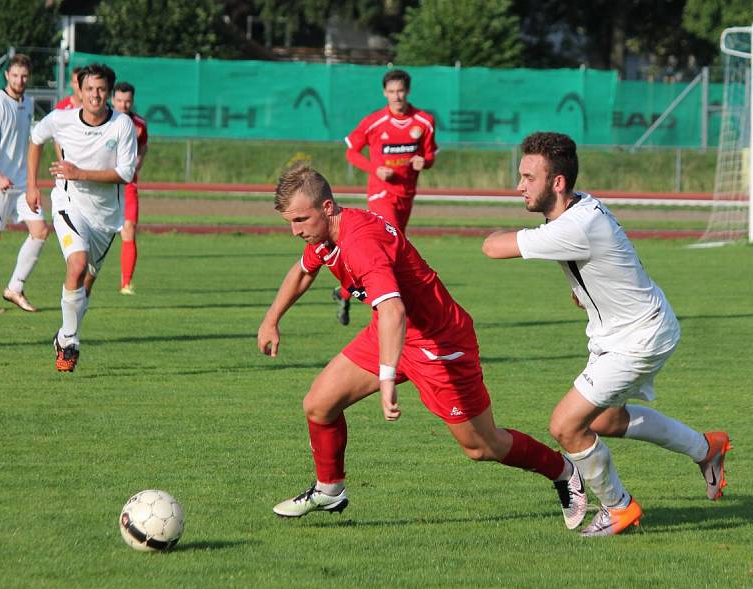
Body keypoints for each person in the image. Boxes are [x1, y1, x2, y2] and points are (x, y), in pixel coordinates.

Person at [257, 164, 588, 529]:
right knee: (319, 406)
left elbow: (394, 309)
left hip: (440, 342)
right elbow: (304, 271)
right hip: (390, 332)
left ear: (328, 207)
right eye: (290, 221)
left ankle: (562, 470)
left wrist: (386, 380)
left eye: (301, 219)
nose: (295, 230)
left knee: (481, 446)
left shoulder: (360, 242)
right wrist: (272, 319)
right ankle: (330, 488)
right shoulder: (324, 237)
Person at [483, 131, 732, 537]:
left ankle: (618, 508)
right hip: (625, 329)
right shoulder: (581, 206)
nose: (519, 186)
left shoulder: (575, 227)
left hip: (639, 336)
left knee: (566, 425)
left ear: (558, 182)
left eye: (529, 177)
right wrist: (589, 292)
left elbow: (492, 248)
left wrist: (493, 233)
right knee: (607, 420)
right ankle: (708, 448)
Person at [27, 63, 137, 372]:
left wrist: (80, 172)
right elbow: (36, 139)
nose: (95, 95)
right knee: (75, 265)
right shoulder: (62, 120)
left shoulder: (122, 125)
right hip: (68, 203)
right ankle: (71, 343)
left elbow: (125, 174)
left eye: (101, 89)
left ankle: (63, 334)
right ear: (79, 90)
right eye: (89, 89)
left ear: (109, 93)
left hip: (105, 217)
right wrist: (32, 185)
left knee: (85, 286)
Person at [332, 69, 437, 326]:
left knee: (393, 248)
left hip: (406, 195)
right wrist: (374, 169)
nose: (396, 96)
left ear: (408, 91)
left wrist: (424, 162)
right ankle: (384, 312)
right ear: (384, 93)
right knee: (389, 248)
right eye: (391, 91)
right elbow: (351, 153)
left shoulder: (424, 121)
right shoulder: (374, 121)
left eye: (400, 91)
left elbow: (429, 156)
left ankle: (345, 291)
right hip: (381, 194)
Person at [0, 53, 49, 313]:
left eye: (24, 76)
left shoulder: (27, 103)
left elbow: (29, 144)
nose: (19, 80)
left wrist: (31, 181)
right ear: (7, 76)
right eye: (15, 75)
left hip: (20, 184)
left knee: (40, 231)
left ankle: (14, 288)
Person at [112, 81, 149, 295]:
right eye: (119, 101)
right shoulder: (105, 122)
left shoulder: (140, 124)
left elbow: (144, 145)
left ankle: (126, 283)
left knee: (129, 230)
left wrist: (137, 162)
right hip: (104, 184)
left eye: (127, 101)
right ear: (112, 100)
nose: (123, 105)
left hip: (128, 185)